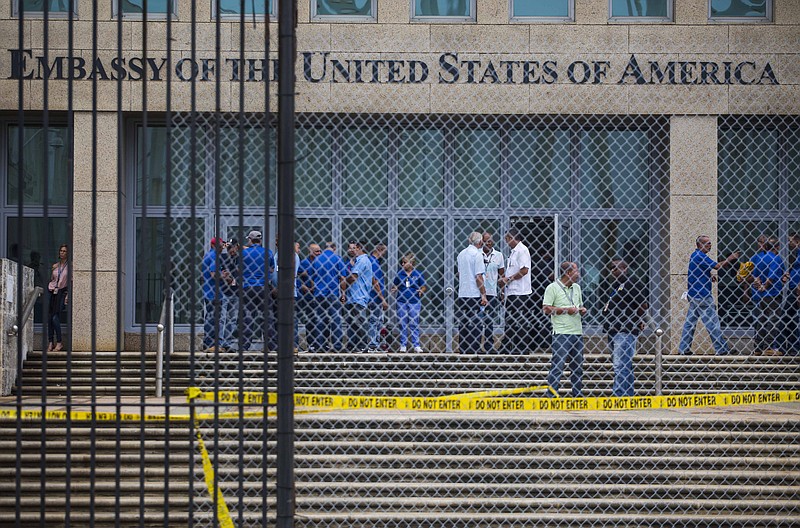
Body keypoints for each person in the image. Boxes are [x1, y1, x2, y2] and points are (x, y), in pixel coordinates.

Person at [678, 235, 739, 356]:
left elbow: (698, 270)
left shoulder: (695, 256)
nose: (710, 245)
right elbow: (717, 266)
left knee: (690, 323)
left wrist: (708, 275)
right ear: (700, 245)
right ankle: (721, 349)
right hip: (703, 296)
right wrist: (730, 258)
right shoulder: (701, 256)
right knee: (712, 323)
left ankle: (683, 349)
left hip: (694, 295)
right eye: (708, 243)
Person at [602, 259, 649, 397]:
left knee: (620, 365)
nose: (612, 271)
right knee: (623, 365)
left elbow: (642, 305)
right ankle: (627, 395)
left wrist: (638, 320)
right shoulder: (616, 286)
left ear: (624, 268)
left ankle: (619, 395)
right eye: (611, 268)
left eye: (615, 268)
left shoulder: (632, 283)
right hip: (613, 329)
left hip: (625, 330)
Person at [542, 262, 587, 398]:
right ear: (568, 273)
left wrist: (581, 310)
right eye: (576, 271)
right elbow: (546, 309)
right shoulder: (553, 288)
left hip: (577, 332)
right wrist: (566, 310)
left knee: (577, 367)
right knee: (558, 366)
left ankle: (577, 394)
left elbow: (578, 305)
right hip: (561, 333)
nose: (579, 274)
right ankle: (551, 395)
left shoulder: (577, 288)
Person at [237, 230, 274, 352]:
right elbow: (272, 269)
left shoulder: (244, 253)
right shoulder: (268, 253)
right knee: (267, 317)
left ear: (250, 240)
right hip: (263, 287)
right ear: (260, 240)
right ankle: (270, 345)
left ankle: (244, 346)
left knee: (247, 317)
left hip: (247, 287)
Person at [748, 236, 785, 356]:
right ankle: (768, 347)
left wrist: (760, 286)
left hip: (762, 295)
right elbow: (772, 276)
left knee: (762, 320)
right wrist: (766, 285)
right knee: (773, 320)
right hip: (773, 293)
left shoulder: (760, 258)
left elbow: (755, 275)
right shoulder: (776, 258)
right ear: (777, 247)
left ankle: (758, 347)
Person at [499, 228, 532, 355]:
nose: (506, 241)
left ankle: (521, 347)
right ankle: (508, 347)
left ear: (513, 238)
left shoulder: (522, 250)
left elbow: (524, 270)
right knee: (511, 320)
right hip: (512, 292)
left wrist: (508, 279)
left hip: (520, 292)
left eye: (507, 239)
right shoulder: (513, 252)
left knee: (519, 320)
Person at [311, 242, 347, 352]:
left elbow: (312, 277)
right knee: (336, 320)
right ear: (334, 248)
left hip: (319, 293)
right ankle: (337, 346)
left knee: (320, 319)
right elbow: (342, 278)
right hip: (333, 293)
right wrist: (343, 293)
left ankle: (320, 345)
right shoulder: (337, 259)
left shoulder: (317, 259)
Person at [456, 232, 487, 354]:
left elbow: (460, 273)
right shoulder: (477, 255)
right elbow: (478, 276)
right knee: (475, 322)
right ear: (480, 242)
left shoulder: (461, 254)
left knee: (463, 321)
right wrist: (483, 294)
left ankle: (463, 347)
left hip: (463, 292)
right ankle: (474, 348)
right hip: (474, 293)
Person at [390, 253, 427, 353]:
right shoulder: (399, 273)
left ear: (411, 263)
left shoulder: (418, 273)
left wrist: (421, 291)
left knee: (414, 323)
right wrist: (395, 288)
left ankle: (416, 345)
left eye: (405, 262)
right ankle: (403, 344)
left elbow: (424, 286)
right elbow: (396, 284)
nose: (402, 264)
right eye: (402, 262)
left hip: (414, 302)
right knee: (403, 323)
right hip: (401, 301)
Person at [341, 241, 373, 353]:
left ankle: (362, 345)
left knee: (359, 322)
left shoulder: (362, 260)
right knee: (352, 323)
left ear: (359, 248)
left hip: (358, 296)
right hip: (354, 296)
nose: (352, 250)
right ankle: (353, 345)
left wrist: (342, 284)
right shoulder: (359, 261)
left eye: (354, 248)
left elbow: (353, 277)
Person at [201, 237, 226, 353]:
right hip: (214, 293)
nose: (222, 248)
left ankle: (208, 343)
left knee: (210, 317)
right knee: (213, 318)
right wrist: (224, 275)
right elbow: (213, 274)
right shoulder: (214, 256)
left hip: (209, 292)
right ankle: (211, 344)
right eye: (220, 246)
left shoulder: (208, 255)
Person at [481, 232, 504, 353]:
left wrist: (503, 292)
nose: (489, 243)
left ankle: (489, 345)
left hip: (491, 292)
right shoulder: (477, 254)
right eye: (486, 241)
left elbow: (501, 275)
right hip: (478, 292)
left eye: (490, 240)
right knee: (477, 319)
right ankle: (475, 345)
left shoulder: (498, 255)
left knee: (489, 320)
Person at [298, 244, 321, 351]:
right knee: (311, 319)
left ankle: (320, 343)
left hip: (320, 295)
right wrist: (304, 288)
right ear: (310, 252)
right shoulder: (304, 263)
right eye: (316, 251)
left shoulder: (321, 262)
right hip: (309, 296)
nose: (319, 253)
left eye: (320, 251)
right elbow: (296, 277)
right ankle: (311, 343)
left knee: (321, 319)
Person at [47, 244, 69, 352]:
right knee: (50, 318)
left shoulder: (70, 266)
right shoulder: (55, 266)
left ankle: (59, 342)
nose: (62, 253)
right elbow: (52, 279)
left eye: (64, 251)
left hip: (62, 292)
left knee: (55, 317)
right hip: (52, 292)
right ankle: (51, 342)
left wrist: (68, 295)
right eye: (61, 251)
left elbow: (71, 282)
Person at [219, 238, 241, 352]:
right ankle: (220, 342)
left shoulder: (240, 259)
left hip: (236, 292)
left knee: (232, 319)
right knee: (222, 318)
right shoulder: (223, 258)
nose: (230, 250)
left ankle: (227, 343)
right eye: (228, 248)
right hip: (224, 292)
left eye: (232, 247)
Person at [367, 243, 389, 353]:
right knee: (374, 320)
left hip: (375, 297)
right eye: (384, 252)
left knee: (377, 321)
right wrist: (382, 298)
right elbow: (375, 282)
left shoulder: (374, 262)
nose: (384, 255)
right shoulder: (374, 263)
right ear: (379, 250)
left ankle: (375, 342)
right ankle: (372, 344)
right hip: (374, 297)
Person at [782, 233, 800, 355]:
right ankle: (792, 347)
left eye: (790, 241)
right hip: (793, 288)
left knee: (786, 316)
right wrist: (789, 274)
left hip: (796, 290)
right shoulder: (797, 254)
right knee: (791, 318)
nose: (789, 243)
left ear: (797, 240)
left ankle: (792, 346)